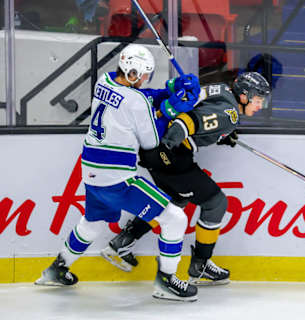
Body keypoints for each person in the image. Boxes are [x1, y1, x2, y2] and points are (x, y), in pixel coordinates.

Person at [35, 43, 201, 302]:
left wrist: (168, 91)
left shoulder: (105, 81)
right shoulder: (135, 102)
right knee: (175, 218)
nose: (146, 79)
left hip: (92, 172)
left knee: (91, 224)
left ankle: (57, 269)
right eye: (144, 75)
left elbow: (143, 99)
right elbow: (151, 140)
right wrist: (172, 108)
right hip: (117, 179)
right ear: (133, 72)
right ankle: (166, 281)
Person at [100, 71, 271, 286]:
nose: (259, 106)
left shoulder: (221, 89)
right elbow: (187, 121)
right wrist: (168, 146)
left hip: (156, 149)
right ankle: (200, 265)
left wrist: (221, 136)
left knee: (173, 200)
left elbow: (199, 110)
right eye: (257, 100)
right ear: (244, 96)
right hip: (171, 155)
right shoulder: (230, 114)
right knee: (216, 203)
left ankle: (122, 242)